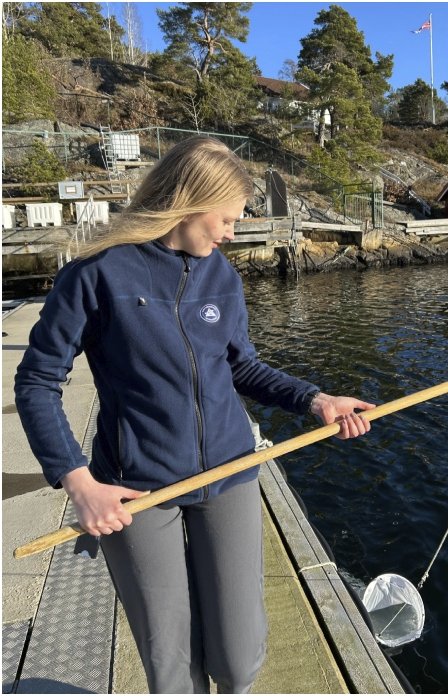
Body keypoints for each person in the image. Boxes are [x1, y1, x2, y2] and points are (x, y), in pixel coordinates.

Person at [14, 136, 375, 693]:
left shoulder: (221, 276)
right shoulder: (95, 274)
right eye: (226, 219)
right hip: (136, 488)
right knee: (171, 662)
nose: (232, 233)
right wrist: (79, 481)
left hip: (228, 472)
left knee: (238, 655)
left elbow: (242, 368)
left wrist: (315, 400)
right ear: (188, 201)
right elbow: (37, 382)